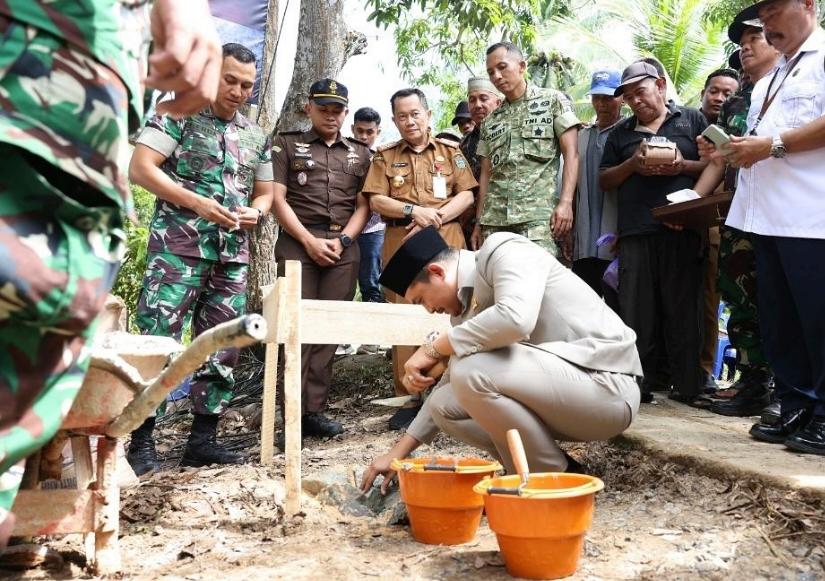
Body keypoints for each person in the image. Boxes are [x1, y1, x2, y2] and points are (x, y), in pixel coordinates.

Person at [0, 0, 222, 549]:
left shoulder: (242, 135)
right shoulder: (179, 124)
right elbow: (145, 168)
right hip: (45, 64)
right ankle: (142, 445)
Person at [359, 227, 642, 493]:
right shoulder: (464, 310)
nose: (430, 310)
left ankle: (549, 480)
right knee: (444, 403)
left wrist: (436, 348)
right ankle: (552, 471)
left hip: (607, 387)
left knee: (469, 370)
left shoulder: (503, 250)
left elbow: (515, 319)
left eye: (421, 300)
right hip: (569, 400)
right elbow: (447, 385)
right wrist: (397, 455)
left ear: (436, 272)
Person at [127, 43, 274, 475]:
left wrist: (258, 211)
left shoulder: (254, 134)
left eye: (246, 85)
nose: (237, 91)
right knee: (158, 343)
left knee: (224, 346)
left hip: (231, 256)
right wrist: (197, 203)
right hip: (178, 250)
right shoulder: (176, 113)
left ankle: (202, 441)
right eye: (230, 80)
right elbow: (142, 168)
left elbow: (265, 192)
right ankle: (141, 442)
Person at [703, 0, 825, 455]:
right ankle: (797, 404)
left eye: (774, 9)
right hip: (763, 215)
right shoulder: (769, 80)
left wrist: (770, 144)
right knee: (780, 319)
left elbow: (777, 142)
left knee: (817, 317)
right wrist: (729, 152)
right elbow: (759, 144)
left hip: (811, 215)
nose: (767, 22)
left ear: (809, 5)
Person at [361, 88, 477, 430]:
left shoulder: (450, 152)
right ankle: (409, 397)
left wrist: (433, 218)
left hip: (445, 236)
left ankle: (455, 391)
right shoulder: (384, 156)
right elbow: (377, 202)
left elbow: (467, 194)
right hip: (400, 239)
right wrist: (415, 211)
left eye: (415, 113)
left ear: (427, 114)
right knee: (404, 315)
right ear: (394, 119)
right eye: (401, 116)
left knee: (456, 311)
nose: (409, 121)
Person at [599, 62, 709, 406]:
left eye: (640, 92)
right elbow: (604, 180)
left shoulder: (692, 121)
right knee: (637, 312)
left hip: (681, 228)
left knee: (683, 309)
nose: (635, 101)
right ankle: (638, 386)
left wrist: (682, 167)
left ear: (660, 85)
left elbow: (716, 164)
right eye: (628, 96)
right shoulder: (620, 133)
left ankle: (689, 386)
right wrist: (633, 163)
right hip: (635, 232)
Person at [272, 79, 372, 442]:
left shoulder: (361, 153)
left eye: (338, 109)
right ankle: (290, 416)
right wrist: (309, 241)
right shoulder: (286, 144)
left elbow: (364, 204)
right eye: (324, 108)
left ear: (346, 112)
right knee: (294, 330)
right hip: (300, 243)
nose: (331, 115)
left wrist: (344, 239)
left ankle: (314, 410)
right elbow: (278, 199)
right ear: (309, 108)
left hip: (344, 247)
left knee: (328, 331)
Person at [693, 16, 780, 418]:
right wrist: (690, 201)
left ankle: (787, 387)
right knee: (739, 294)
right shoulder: (736, 102)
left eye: (754, 37)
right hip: (740, 212)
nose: (746, 46)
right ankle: (752, 382)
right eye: (741, 41)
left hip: (785, 213)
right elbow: (717, 160)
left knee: (783, 298)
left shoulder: (794, 87)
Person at [471, 42, 581, 256]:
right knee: (499, 284)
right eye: (491, 72)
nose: (496, 76)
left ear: (521, 66)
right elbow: (486, 175)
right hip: (495, 221)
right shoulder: (490, 121)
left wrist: (566, 203)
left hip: (537, 220)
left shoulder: (553, 101)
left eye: (502, 67)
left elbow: (572, 155)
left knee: (540, 282)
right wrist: (479, 221)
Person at [697, 69, 741, 393]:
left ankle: (704, 373)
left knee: (713, 304)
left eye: (728, 93)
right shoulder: (683, 123)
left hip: (721, 230)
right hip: (682, 225)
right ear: (703, 92)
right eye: (715, 91)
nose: (720, 98)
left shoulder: (739, 128)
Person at [572, 70, 623, 298]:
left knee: (617, 307)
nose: (602, 104)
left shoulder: (628, 134)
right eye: (597, 98)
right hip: (583, 242)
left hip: (617, 240)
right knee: (584, 304)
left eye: (608, 97)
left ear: (621, 97)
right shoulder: (581, 137)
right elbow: (571, 187)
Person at [459, 77, 503, 247]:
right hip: (472, 226)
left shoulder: (512, 134)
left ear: (498, 102)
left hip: (507, 219)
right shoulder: (463, 145)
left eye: (483, 99)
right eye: (472, 100)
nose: (477, 105)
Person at [351, 107, 385, 305]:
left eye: (369, 132)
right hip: (344, 227)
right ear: (352, 128)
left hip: (373, 229)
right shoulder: (340, 154)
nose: (364, 136)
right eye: (360, 130)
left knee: (370, 284)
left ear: (377, 132)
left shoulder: (382, 158)